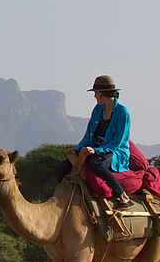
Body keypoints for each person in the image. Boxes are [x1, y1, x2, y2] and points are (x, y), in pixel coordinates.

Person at [48, 74, 134, 208]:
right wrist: (77, 149)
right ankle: (57, 199)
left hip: (115, 152)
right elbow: (88, 136)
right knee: (62, 166)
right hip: (93, 149)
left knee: (95, 164)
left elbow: (116, 142)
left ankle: (122, 195)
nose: (94, 96)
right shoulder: (97, 109)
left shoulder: (123, 113)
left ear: (102, 94)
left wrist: (96, 150)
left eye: (96, 93)